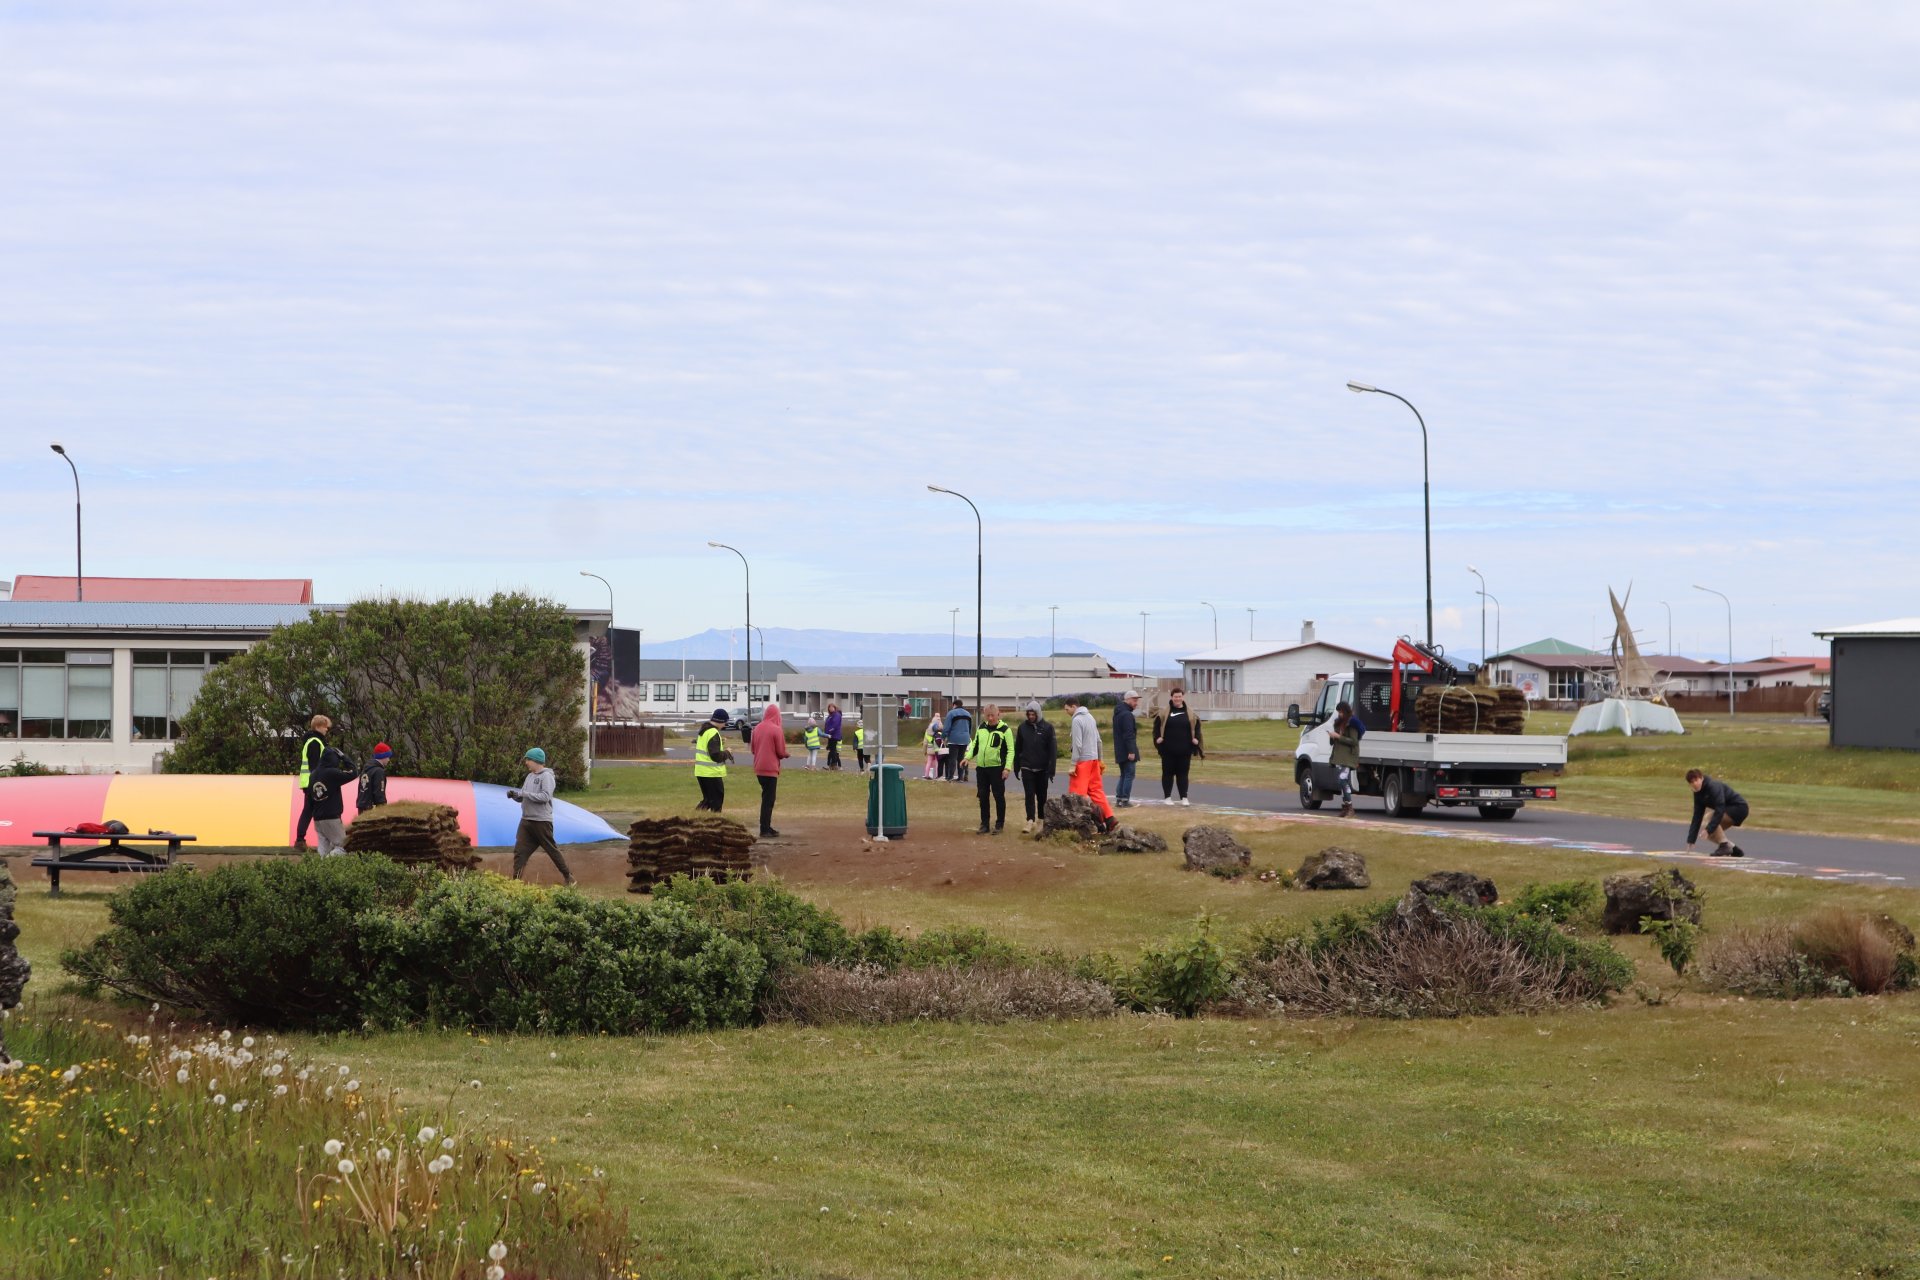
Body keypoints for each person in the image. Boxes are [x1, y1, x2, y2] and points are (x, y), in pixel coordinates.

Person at [506, 747, 574, 884]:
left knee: (552, 850)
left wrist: (523, 794)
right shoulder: (530, 776)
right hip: (526, 821)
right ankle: (516, 882)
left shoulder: (547, 776)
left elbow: (545, 796)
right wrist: (515, 796)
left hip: (541, 822)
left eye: (528, 759)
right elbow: (523, 796)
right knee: (519, 852)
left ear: (536, 761)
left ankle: (569, 877)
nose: (526, 762)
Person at [1064, 695, 1118, 833]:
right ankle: (1110, 819)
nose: (1066, 712)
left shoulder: (1076, 720)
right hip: (1094, 760)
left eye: (1067, 709)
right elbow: (1099, 741)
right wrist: (1100, 760)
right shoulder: (1090, 717)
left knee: (1077, 796)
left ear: (1074, 706)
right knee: (1096, 792)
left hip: (1082, 761)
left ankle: (1090, 823)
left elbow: (1077, 745)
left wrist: (1073, 764)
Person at [965, 703, 1014, 834]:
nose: (990, 718)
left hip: (997, 768)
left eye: (992, 715)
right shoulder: (981, 727)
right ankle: (984, 824)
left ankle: (999, 824)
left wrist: (1007, 768)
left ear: (998, 714)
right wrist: (967, 757)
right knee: (983, 796)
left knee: (998, 796)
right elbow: (975, 745)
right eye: (988, 716)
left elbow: (1010, 750)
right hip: (982, 768)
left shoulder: (1005, 730)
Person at [307, 739, 360, 856]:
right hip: (331, 817)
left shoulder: (313, 774)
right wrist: (344, 757)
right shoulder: (332, 773)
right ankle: (328, 865)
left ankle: (319, 869)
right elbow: (354, 773)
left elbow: (310, 797)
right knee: (343, 846)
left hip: (317, 818)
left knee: (323, 849)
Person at [1153, 686, 1204, 806]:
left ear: (1183, 697)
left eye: (1180, 696)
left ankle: (1184, 797)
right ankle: (1167, 797)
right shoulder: (1164, 713)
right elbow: (1156, 728)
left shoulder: (1190, 713)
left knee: (1183, 774)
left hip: (1185, 750)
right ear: (1171, 697)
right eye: (1175, 696)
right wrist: (1157, 739)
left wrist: (1196, 739)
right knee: (1167, 774)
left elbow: (1197, 728)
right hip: (1168, 751)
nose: (1177, 699)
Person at [1013, 700, 1058, 833]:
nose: (1031, 717)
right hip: (1027, 766)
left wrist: (1052, 770)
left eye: (1033, 714)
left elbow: (1053, 750)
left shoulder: (1048, 728)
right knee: (1029, 794)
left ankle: (1041, 820)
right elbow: (1018, 748)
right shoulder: (1022, 728)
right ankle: (1030, 820)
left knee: (1041, 795)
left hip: (1042, 768)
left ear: (1038, 714)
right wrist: (1016, 766)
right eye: (1029, 714)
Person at [1685, 768, 1748, 857]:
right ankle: (1734, 849)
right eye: (1691, 782)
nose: (1695, 783)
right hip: (1727, 810)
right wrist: (1691, 840)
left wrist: (1709, 829)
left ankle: (1724, 846)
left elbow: (1720, 808)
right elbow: (1697, 816)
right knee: (1709, 834)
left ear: (1701, 778)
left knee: (1709, 819)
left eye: (1696, 780)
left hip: (1739, 808)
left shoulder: (1713, 786)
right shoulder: (1698, 794)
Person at [751, 703, 789, 838]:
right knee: (768, 800)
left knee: (766, 798)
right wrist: (786, 754)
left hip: (759, 768)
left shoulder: (757, 728)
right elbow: (780, 751)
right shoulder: (776, 729)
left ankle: (766, 826)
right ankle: (764, 829)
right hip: (770, 769)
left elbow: (753, 749)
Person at [294, 713, 332, 850]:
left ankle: (300, 839)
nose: (327, 729)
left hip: (309, 782)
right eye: (325, 727)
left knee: (309, 810)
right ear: (318, 726)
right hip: (314, 782)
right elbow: (316, 765)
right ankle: (302, 840)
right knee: (317, 811)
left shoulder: (312, 741)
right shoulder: (315, 742)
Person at [1329, 701, 1365, 818]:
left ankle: (1349, 807)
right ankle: (1346, 807)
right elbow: (1336, 741)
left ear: (1345, 711)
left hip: (1349, 756)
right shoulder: (1339, 723)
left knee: (1342, 779)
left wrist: (1339, 737)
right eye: (1338, 712)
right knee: (1342, 781)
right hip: (1340, 756)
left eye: (1341, 712)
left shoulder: (1352, 724)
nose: (1339, 714)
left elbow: (1354, 741)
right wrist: (1332, 737)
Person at [693, 708, 733, 812]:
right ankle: (716, 823)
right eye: (724, 722)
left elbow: (707, 747)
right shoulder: (713, 733)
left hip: (701, 771)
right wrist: (727, 753)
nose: (725, 725)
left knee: (707, 800)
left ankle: (694, 818)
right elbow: (715, 755)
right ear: (720, 721)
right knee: (716, 801)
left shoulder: (704, 730)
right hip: (711, 773)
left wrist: (720, 742)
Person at [1113, 690, 1141, 808]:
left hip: (1119, 749)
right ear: (1128, 700)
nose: (1136, 703)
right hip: (1127, 750)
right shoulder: (1127, 715)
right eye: (1134, 700)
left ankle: (1119, 799)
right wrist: (1131, 751)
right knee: (1129, 774)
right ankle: (1125, 799)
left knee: (1123, 774)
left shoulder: (1118, 713)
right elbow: (1128, 734)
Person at [356, 742, 393, 812]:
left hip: (362, 806)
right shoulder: (379, 771)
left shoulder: (366, 769)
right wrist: (383, 808)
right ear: (383, 756)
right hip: (371, 809)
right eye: (388, 757)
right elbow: (379, 792)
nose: (389, 760)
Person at [943, 698, 973, 783]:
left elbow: (946, 727)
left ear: (954, 705)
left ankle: (950, 777)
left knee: (952, 758)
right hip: (965, 739)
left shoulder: (951, 713)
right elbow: (970, 727)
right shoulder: (968, 714)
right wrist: (968, 736)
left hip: (954, 739)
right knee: (961, 758)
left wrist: (943, 737)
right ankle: (960, 777)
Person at [822, 703, 844, 771]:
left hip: (834, 735)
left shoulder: (837, 715)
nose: (830, 709)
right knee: (831, 750)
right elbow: (827, 724)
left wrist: (830, 731)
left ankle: (834, 765)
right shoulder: (830, 716)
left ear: (834, 708)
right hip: (830, 735)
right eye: (829, 707)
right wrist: (826, 733)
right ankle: (831, 765)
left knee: (833, 750)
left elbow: (835, 725)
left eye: (832, 707)